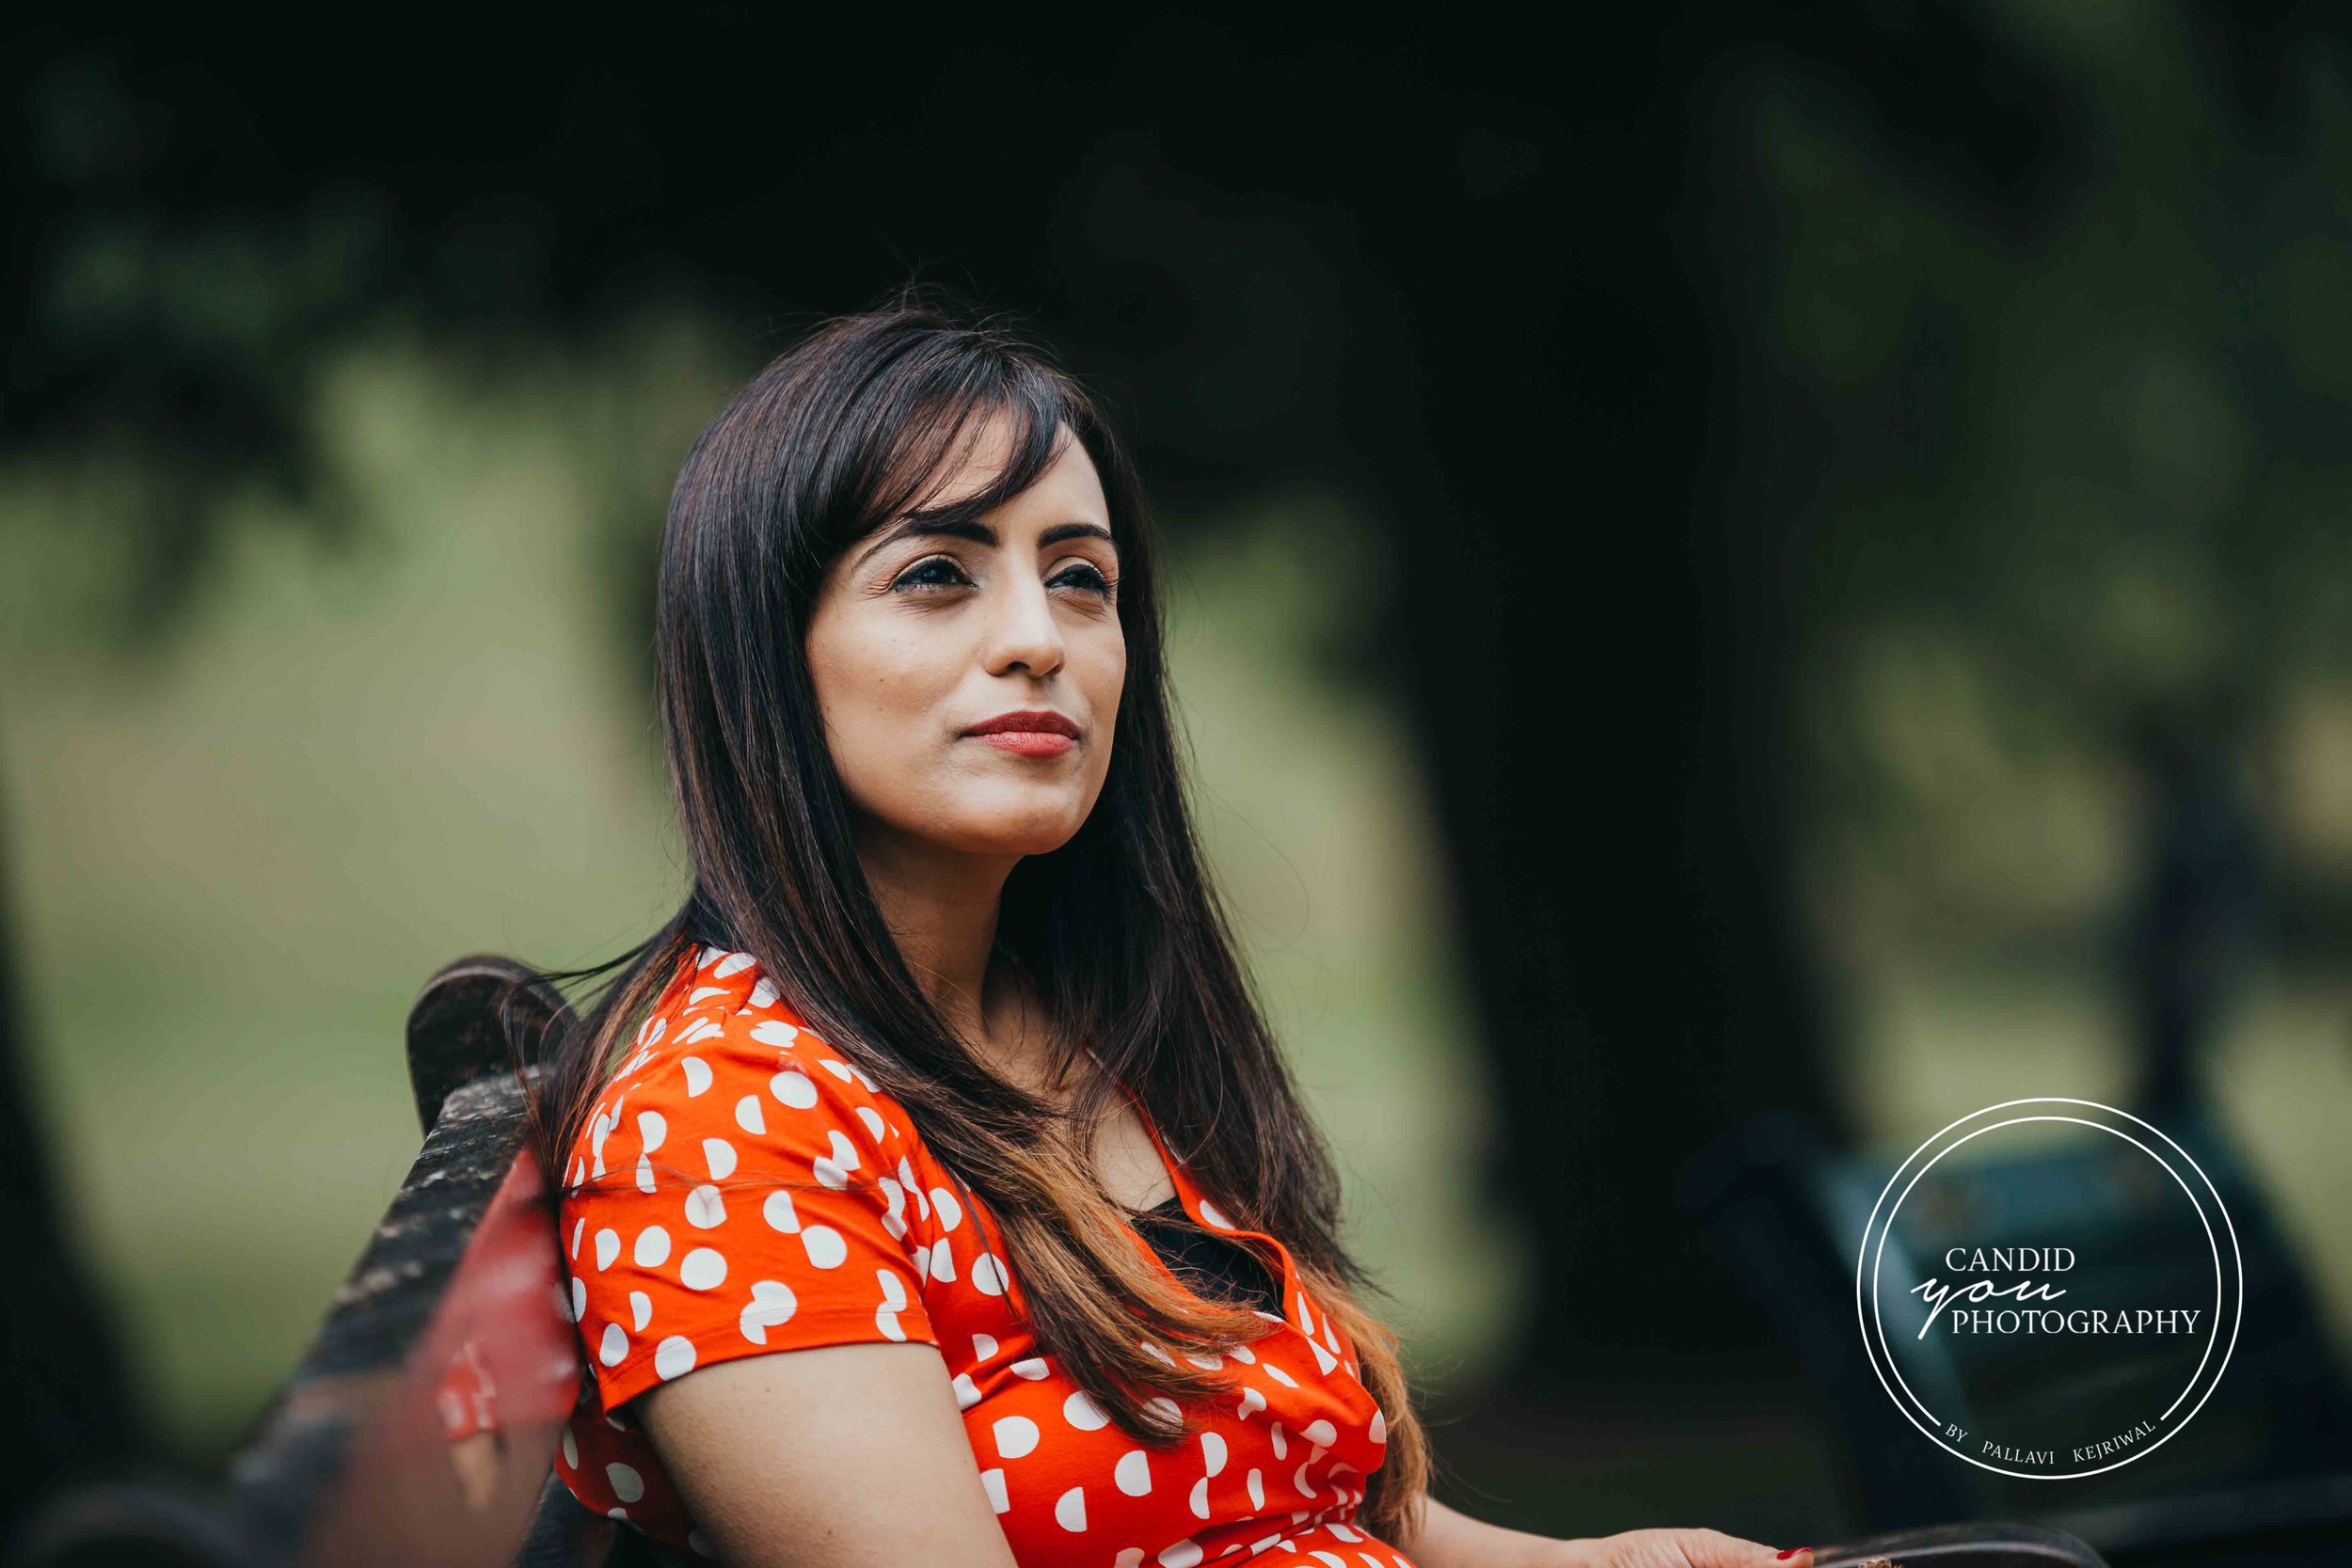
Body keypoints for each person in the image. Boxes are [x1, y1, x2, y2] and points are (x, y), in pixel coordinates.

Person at [516, 289, 1810, 1568]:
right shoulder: (724, 1121)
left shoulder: (1090, 1028)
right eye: (935, 575)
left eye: (1081, 579)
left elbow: (1276, 1488)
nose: (1040, 639)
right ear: (764, 650)